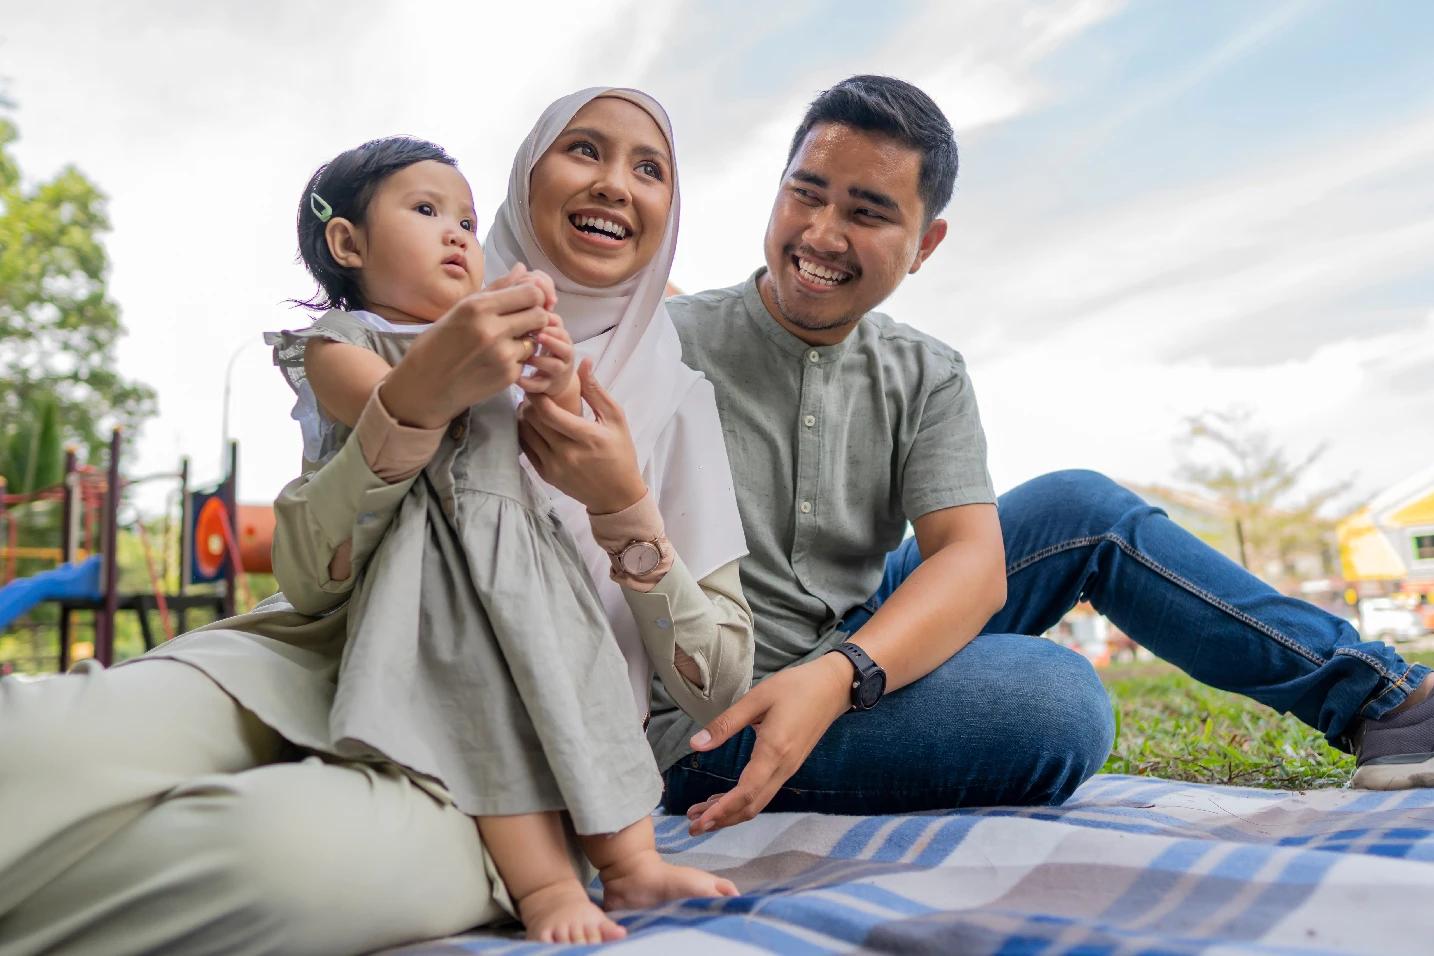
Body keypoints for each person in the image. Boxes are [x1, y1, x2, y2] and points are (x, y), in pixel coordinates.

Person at [0, 87, 752, 955]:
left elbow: (719, 686)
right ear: (526, 176)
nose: (616, 183)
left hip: (521, 725)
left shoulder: (676, 398)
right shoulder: (401, 320)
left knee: (265, 856)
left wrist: (623, 509)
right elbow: (304, 575)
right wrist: (413, 403)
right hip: (311, 654)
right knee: (29, 747)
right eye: (584, 149)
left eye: (649, 169)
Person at [650, 74, 1434, 835]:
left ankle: (1389, 706)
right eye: (806, 194)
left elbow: (971, 561)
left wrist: (842, 671)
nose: (822, 234)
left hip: (851, 633)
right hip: (719, 713)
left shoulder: (926, 371)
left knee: (1079, 506)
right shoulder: (661, 343)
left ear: (925, 244)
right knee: (1054, 702)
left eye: (867, 212)